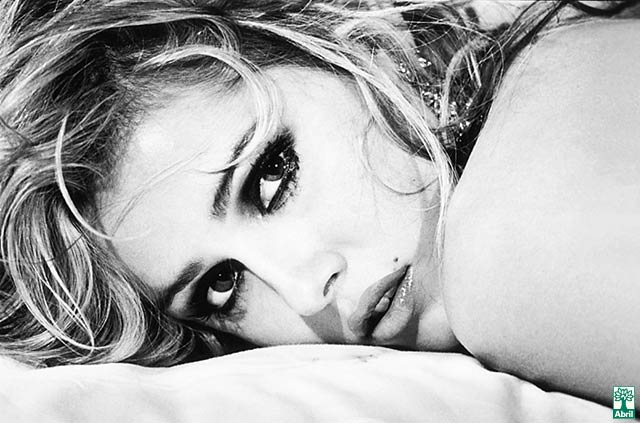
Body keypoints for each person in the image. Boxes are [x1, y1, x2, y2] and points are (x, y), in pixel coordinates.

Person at [0, 0, 638, 406]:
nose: (305, 292)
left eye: (271, 179)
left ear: (362, 45)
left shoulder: (497, 258)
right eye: (222, 286)